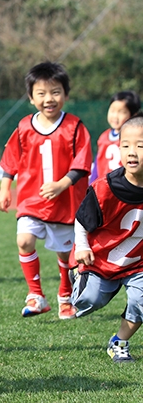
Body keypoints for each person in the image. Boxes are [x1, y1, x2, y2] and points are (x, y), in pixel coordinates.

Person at [0, 61, 92, 319]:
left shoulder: (75, 127)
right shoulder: (24, 126)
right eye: (41, 93)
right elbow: (11, 159)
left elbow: (82, 163)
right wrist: (5, 188)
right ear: (31, 97)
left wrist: (62, 184)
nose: (49, 99)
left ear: (66, 94)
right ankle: (36, 294)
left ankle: (65, 296)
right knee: (24, 241)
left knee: (65, 253)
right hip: (31, 200)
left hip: (64, 202)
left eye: (56, 92)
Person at [71, 116, 143, 362]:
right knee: (89, 302)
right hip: (102, 260)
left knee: (141, 301)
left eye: (140, 146)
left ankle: (119, 342)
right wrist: (81, 247)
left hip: (139, 263)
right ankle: (78, 276)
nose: (132, 152)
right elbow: (81, 220)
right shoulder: (105, 187)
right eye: (125, 146)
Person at [89, 90, 141, 183]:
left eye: (121, 112)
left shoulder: (134, 138)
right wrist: (92, 184)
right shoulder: (103, 137)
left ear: (134, 115)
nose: (115, 116)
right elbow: (98, 164)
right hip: (105, 188)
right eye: (112, 110)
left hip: (124, 188)